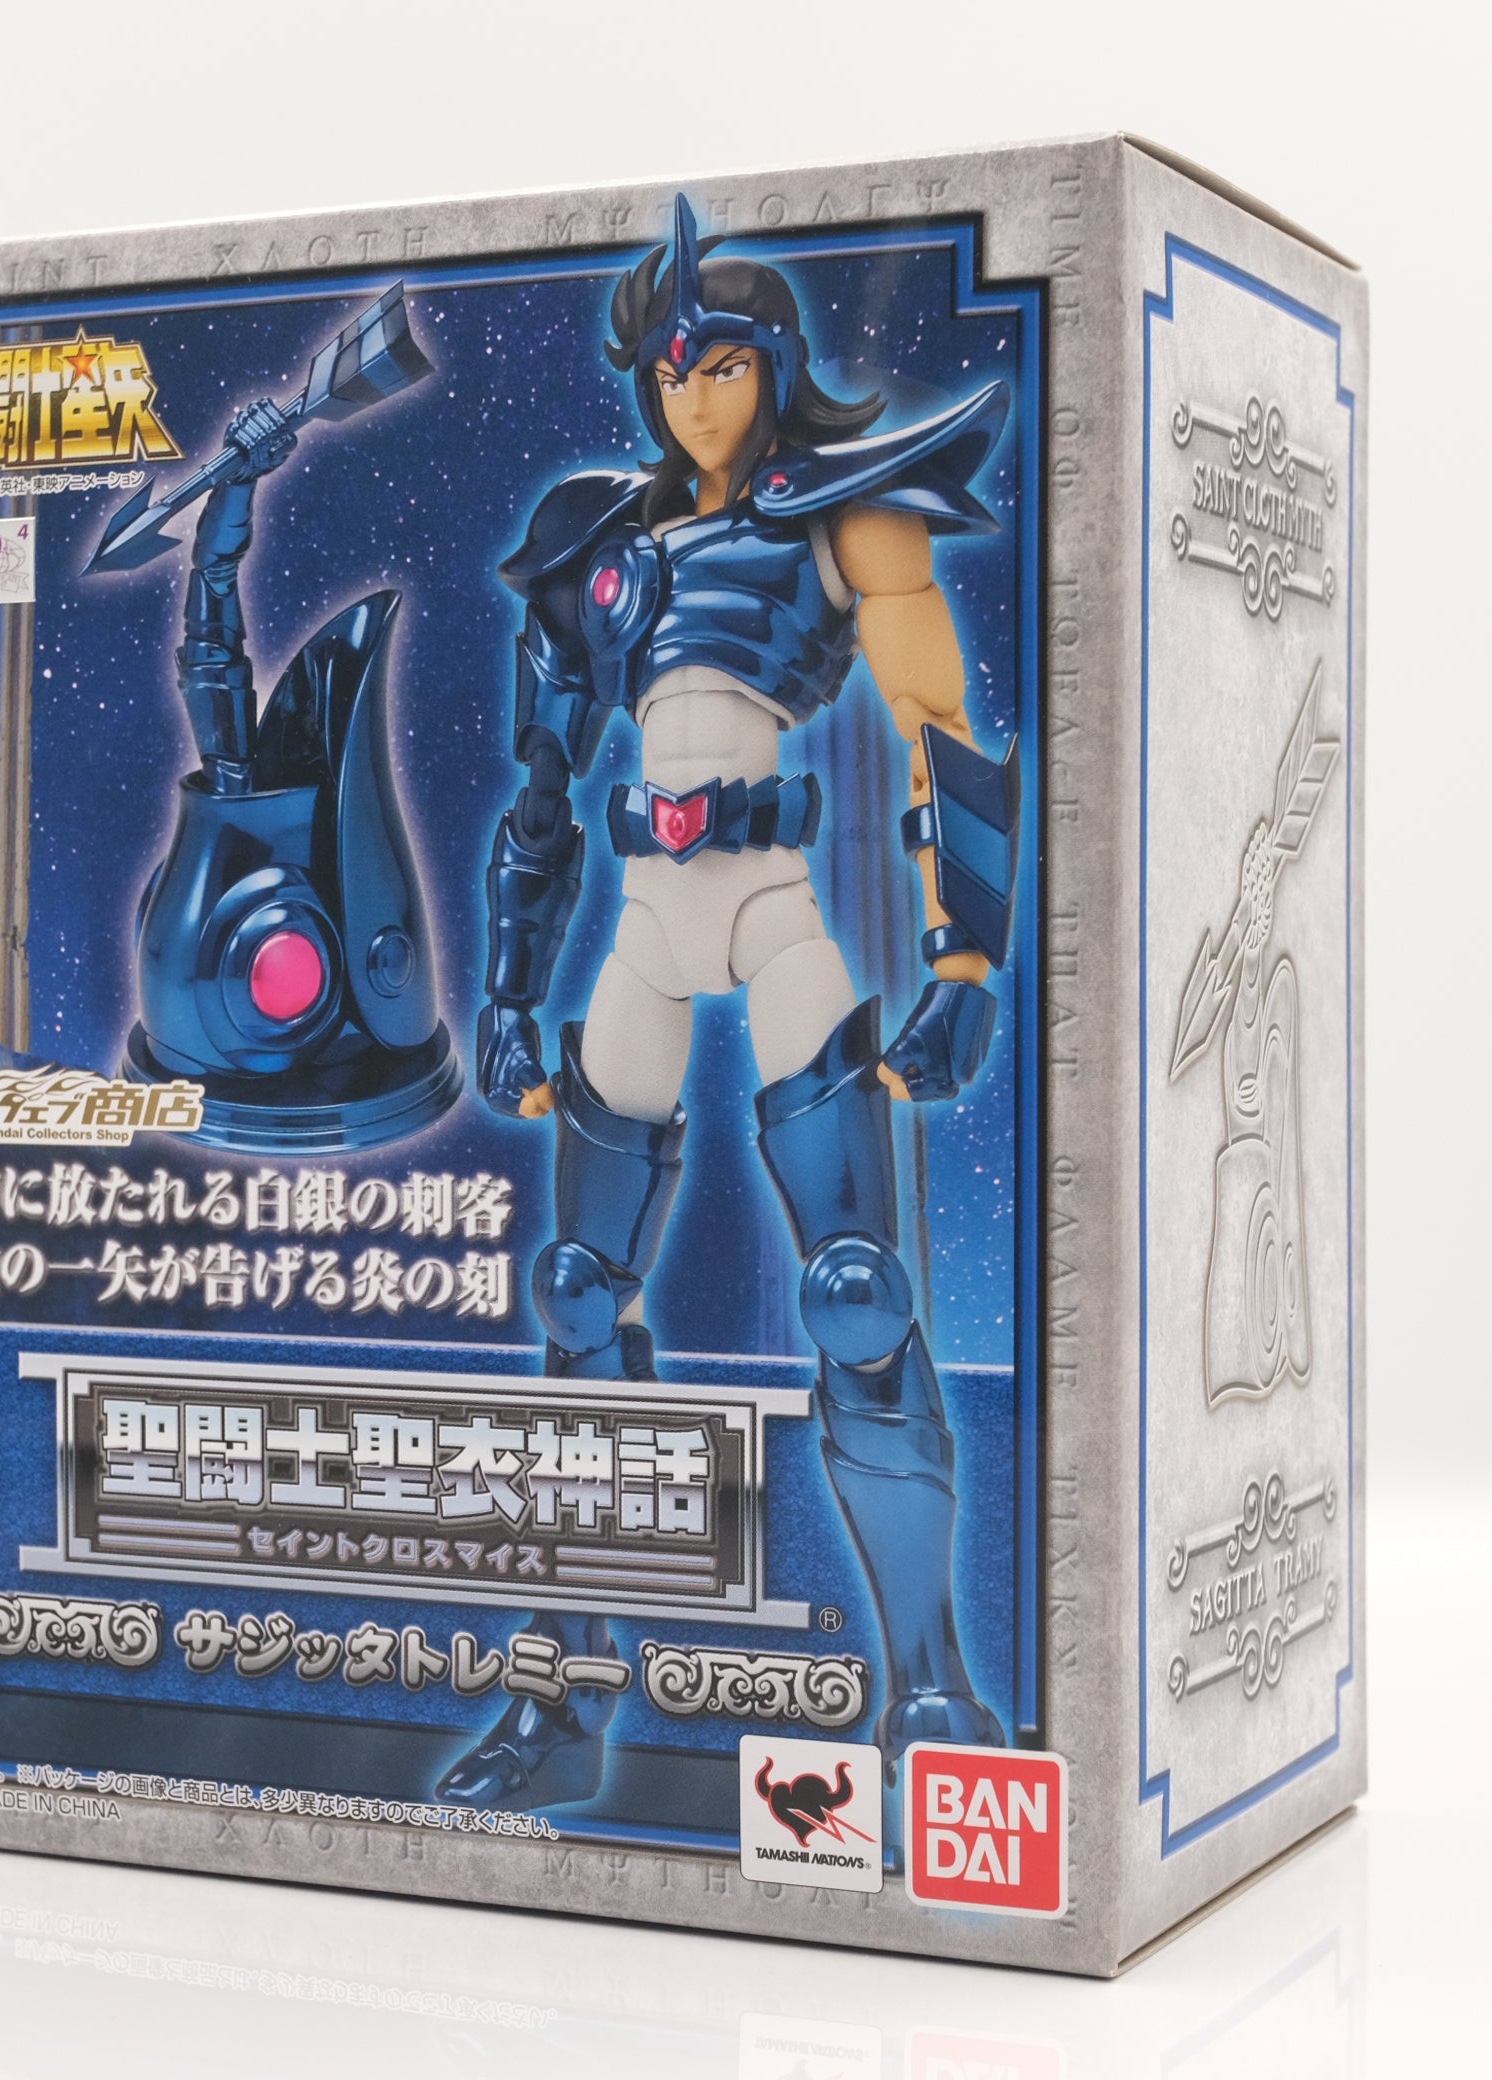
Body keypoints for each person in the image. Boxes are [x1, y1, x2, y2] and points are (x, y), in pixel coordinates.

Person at [442, 198, 1023, 1812]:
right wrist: (509, 985)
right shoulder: (597, 545)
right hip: (641, 926)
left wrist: (966, 961)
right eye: (672, 370)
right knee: (576, 1298)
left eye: (725, 365)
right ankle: (561, 1699)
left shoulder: (842, 518)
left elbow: (941, 728)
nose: (697, 397)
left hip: (774, 913)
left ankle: (930, 1692)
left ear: (774, 367)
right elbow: (544, 792)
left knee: (855, 1297)